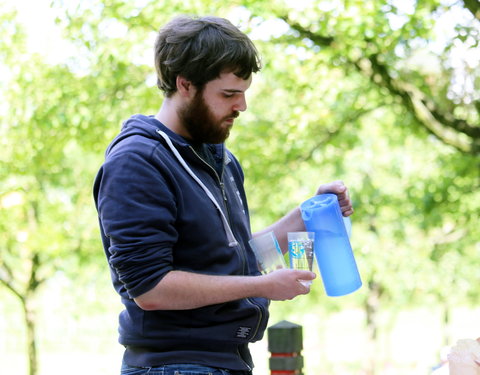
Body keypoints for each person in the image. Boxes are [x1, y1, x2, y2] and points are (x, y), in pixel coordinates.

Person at [93, 15, 353, 375]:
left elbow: (237, 257)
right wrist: (264, 285)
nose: (241, 107)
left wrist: (309, 213)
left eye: (244, 93)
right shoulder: (138, 162)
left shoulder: (221, 160)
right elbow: (150, 288)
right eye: (229, 94)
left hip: (227, 360)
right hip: (174, 365)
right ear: (185, 84)